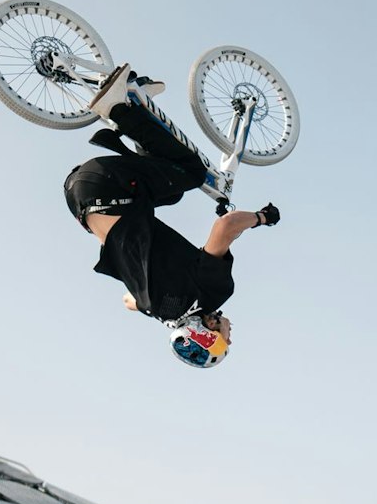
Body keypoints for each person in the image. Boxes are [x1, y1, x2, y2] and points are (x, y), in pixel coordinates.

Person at [60, 66, 280, 368]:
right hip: (78, 196)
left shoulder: (212, 293)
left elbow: (226, 226)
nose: (231, 335)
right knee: (172, 192)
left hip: (111, 184)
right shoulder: (157, 309)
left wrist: (261, 217)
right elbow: (129, 303)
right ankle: (140, 107)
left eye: (226, 339)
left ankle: (118, 108)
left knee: (191, 171)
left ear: (209, 330)